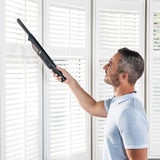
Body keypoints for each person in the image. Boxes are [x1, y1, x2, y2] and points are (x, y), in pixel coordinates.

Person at [53, 47, 148, 160]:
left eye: (110, 64)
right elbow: (92, 106)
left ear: (124, 76)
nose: (104, 67)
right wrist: (70, 81)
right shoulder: (118, 102)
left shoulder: (130, 112)